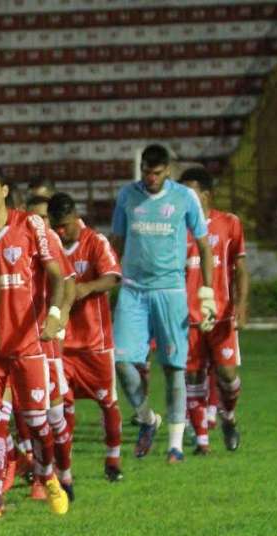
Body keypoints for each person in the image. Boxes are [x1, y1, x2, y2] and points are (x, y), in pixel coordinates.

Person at [0, 162, 71, 517]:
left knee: (38, 424)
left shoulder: (30, 225)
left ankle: (46, 474)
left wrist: (54, 316)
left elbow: (57, 275)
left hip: (28, 344)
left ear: (4, 190)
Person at [110, 144, 214, 463]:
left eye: (157, 172)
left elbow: (204, 245)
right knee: (122, 362)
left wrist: (207, 294)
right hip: (133, 290)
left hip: (170, 291)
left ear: (168, 170)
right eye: (146, 171)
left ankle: (175, 445)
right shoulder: (128, 196)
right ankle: (146, 417)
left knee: (173, 367)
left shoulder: (184, 197)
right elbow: (117, 239)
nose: (151, 178)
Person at [49, 192, 125, 482]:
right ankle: (64, 472)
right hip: (62, 345)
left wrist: (87, 287)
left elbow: (113, 276)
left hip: (95, 343)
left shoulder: (95, 242)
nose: (60, 231)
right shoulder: (51, 246)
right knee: (63, 406)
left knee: (107, 402)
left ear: (76, 218)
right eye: (56, 225)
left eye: (65, 225)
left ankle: (113, 458)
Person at [178, 166, 248, 453]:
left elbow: (241, 269)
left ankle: (228, 416)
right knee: (192, 376)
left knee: (228, 377)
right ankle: (202, 440)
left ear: (207, 195)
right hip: (186, 316)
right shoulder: (176, 228)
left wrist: (241, 305)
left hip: (220, 315)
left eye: (190, 193)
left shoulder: (229, 224)